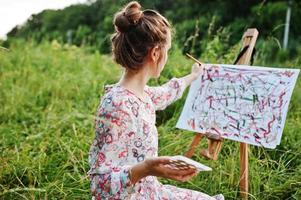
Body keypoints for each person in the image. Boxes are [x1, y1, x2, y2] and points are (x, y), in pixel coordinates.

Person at [87, 1, 224, 199]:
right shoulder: (118, 105)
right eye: (167, 50)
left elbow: (167, 92)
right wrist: (146, 168)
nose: (166, 56)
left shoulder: (143, 95)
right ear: (155, 53)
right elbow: (99, 186)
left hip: (149, 191)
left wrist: (193, 76)